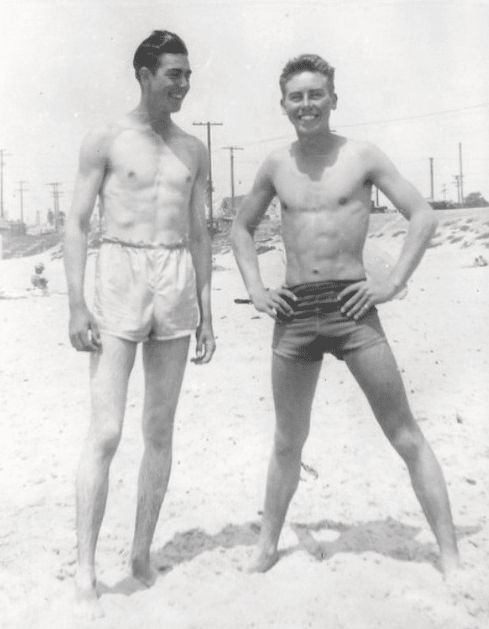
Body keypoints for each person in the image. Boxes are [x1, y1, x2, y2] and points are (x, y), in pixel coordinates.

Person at [231, 54, 459, 577]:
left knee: (403, 432)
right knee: (288, 439)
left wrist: (392, 283)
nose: (306, 104)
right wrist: (257, 290)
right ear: (283, 104)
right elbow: (240, 228)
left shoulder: (362, 156)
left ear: (334, 98)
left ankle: (449, 554)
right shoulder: (275, 164)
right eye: (297, 96)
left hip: (353, 308)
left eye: (316, 94)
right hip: (295, 312)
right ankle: (267, 546)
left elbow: (422, 215)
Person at [64, 30, 215, 619]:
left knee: (161, 428)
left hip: (175, 278)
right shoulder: (106, 137)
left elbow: (201, 231)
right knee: (105, 432)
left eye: (187, 75)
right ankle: (85, 567)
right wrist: (76, 304)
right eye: (173, 74)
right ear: (144, 74)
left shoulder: (193, 149)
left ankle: (142, 553)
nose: (182, 85)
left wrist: (205, 308)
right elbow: (76, 223)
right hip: (119, 273)